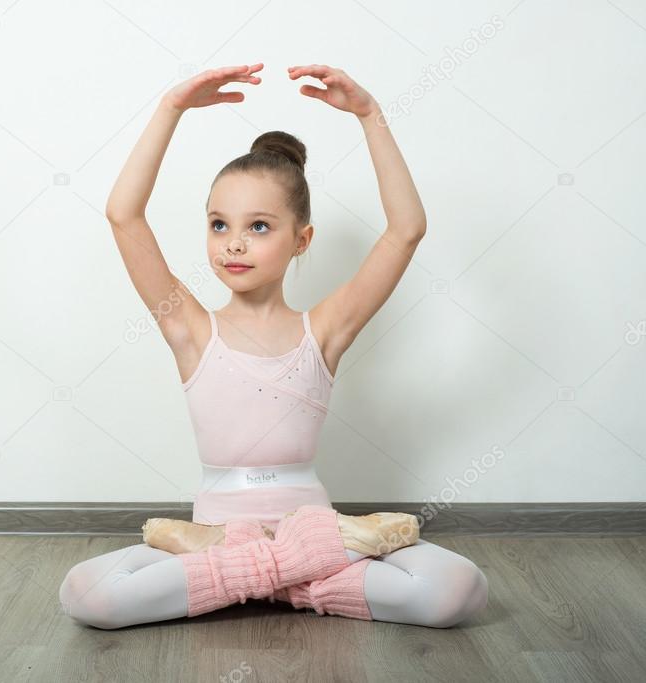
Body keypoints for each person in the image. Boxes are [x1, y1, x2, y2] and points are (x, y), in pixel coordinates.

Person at [58, 63, 488, 630]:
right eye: (218, 224)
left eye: (259, 226)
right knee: (86, 595)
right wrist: (171, 108)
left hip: (272, 535)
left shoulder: (325, 330)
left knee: (458, 590)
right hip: (239, 542)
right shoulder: (189, 328)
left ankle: (249, 576)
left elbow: (405, 228)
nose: (233, 243)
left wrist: (369, 114)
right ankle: (292, 576)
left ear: (300, 239)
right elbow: (124, 214)